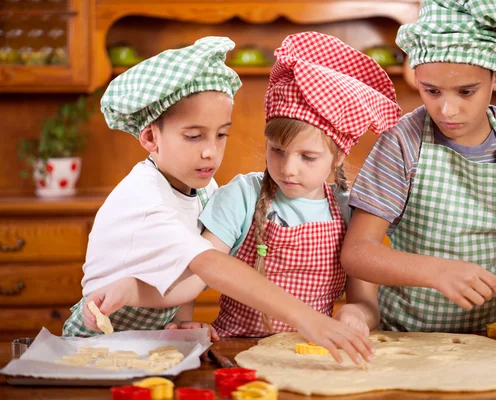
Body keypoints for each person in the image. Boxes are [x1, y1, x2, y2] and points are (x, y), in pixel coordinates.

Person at [62, 36, 374, 364]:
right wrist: (306, 318)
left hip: (149, 342)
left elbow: (186, 279)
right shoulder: (145, 200)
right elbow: (209, 265)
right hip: (96, 340)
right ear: (150, 136)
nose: (210, 151)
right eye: (194, 136)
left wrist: (178, 316)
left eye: (221, 134)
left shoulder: (202, 187)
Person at [341, 0, 496, 332]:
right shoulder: (402, 143)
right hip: (408, 338)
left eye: (465, 92)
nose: (447, 110)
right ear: (417, 77)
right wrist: (437, 272)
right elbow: (357, 252)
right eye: (432, 91)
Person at [200, 31, 401, 338]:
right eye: (277, 151)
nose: (288, 169)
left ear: (337, 157)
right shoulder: (242, 196)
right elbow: (198, 267)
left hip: (309, 353)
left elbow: (366, 303)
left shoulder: (349, 211)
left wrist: (355, 314)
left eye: (307, 157)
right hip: (235, 347)